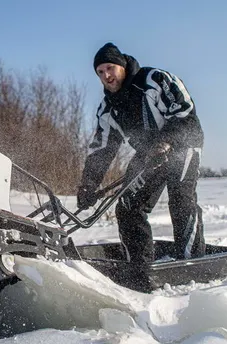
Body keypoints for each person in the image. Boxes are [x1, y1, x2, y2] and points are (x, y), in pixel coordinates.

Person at [77, 42, 206, 269]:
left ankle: (192, 263)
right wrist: (88, 184)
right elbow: (102, 149)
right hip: (149, 155)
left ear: (122, 65)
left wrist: (165, 142)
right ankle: (139, 266)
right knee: (128, 206)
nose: (106, 75)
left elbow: (187, 117)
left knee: (180, 200)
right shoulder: (108, 109)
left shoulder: (154, 81)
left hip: (183, 145)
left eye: (110, 68)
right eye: (100, 72)